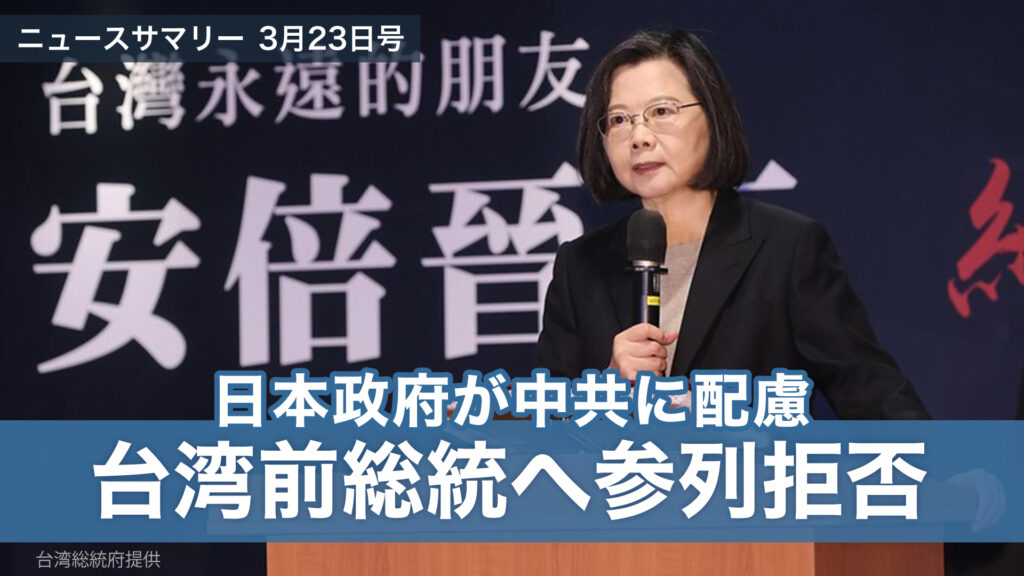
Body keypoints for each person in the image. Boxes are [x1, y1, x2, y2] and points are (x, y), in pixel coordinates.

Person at [536, 29, 930, 419]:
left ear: (712, 117)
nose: (639, 137)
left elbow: (872, 394)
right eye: (619, 119)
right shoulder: (579, 266)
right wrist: (607, 387)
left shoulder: (785, 248)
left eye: (662, 112)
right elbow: (542, 427)